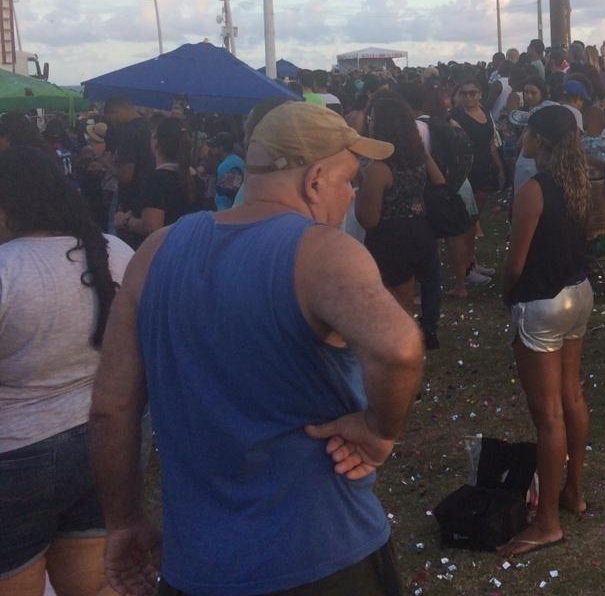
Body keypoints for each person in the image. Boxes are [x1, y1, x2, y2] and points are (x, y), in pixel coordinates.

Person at [90, 102, 424, 596]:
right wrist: (378, 430)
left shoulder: (155, 251)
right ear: (315, 181)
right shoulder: (322, 253)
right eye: (348, 180)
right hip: (322, 555)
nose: (352, 194)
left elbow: (111, 407)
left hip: (197, 565)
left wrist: (122, 520)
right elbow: (399, 349)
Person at [0, 147, 133, 596]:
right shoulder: (114, 251)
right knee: (95, 585)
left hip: (15, 456)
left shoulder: (6, 269)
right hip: (102, 441)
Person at [498, 106, 593, 557]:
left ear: (538, 138)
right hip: (579, 292)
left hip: (541, 302)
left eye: (527, 133)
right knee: (571, 396)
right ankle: (572, 490)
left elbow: (515, 263)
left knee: (549, 413)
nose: (523, 140)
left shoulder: (534, 189)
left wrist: (506, 293)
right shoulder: (580, 182)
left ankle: (548, 523)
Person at [357, 94, 448, 348]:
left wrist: (360, 189)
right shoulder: (417, 158)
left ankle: (402, 344)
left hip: (391, 238)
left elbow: (368, 219)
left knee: (398, 299)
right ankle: (428, 329)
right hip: (422, 229)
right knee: (429, 280)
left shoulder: (379, 169)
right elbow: (440, 182)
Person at [114, 117, 199, 243]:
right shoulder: (194, 178)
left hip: (160, 249)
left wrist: (125, 221)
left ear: (156, 142)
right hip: (186, 245)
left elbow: (151, 227)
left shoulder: (157, 180)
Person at [101, 97, 154, 244]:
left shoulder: (128, 132)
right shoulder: (146, 126)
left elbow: (126, 176)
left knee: (119, 243)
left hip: (129, 201)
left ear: (117, 111)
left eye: (111, 119)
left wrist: (107, 164)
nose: (112, 124)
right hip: (145, 195)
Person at [451, 77, 505, 211]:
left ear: (480, 94)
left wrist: (500, 168)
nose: (468, 96)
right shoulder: (454, 116)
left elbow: (491, 143)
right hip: (468, 169)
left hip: (486, 166)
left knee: (484, 204)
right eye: (464, 93)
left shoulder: (484, 111)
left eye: (472, 93)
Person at [207, 132, 245, 211]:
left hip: (226, 210)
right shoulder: (239, 160)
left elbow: (224, 194)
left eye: (215, 146)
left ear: (221, 148)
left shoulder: (225, 165)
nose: (212, 149)